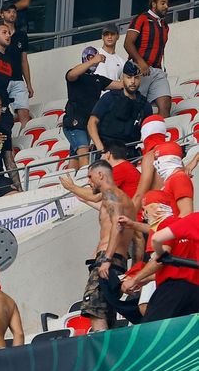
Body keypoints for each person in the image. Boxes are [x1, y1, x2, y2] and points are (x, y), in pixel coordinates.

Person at [83, 160, 136, 331]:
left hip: (107, 259)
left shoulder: (110, 194)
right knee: (107, 311)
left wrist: (106, 259)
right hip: (119, 261)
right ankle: (111, 351)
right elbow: (138, 240)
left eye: (90, 177)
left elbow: (117, 225)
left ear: (100, 175)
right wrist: (135, 268)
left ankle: (103, 352)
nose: (88, 181)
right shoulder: (126, 201)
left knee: (94, 307)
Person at [132, 211, 199, 321]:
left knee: (153, 331)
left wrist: (159, 254)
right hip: (194, 290)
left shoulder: (192, 219)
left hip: (175, 289)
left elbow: (156, 238)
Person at [62, 47, 121, 169]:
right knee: (84, 154)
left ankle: (70, 183)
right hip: (75, 122)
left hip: (88, 124)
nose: (94, 60)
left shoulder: (98, 79)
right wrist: (93, 61)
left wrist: (132, 73)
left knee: (74, 158)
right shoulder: (76, 76)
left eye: (95, 57)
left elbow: (119, 85)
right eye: (90, 57)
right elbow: (71, 74)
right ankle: (86, 180)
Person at [88, 61, 153, 156]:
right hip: (106, 152)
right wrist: (100, 149)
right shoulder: (109, 97)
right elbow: (91, 123)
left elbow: (150, 132)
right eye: (129, 77)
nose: (133, 81)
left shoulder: (145, 105)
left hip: (129, 153)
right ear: (122, 78)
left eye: (136, 77)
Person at [124, 0, 171, 117]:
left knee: (165, 104)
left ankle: (162, 135)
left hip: (157, 71)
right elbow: (128, 44)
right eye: (163, 3)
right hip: (139, 70)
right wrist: (141, 63)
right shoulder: (141, 19)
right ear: (153, 4)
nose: (166, 6)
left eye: (167, 3)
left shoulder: (165, 26)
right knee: (134, 107)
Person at [0, 4, 34, 128]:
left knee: (24, 110)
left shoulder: (22, 35)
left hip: (18, 79)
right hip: (1, 79)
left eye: (14, 11)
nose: (12, 14)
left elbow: (24, 60)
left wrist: (28, 84)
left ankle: (26, 140)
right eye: (8, 11)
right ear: (2, 14)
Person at [154, 142, 193, 218]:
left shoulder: (179, 178)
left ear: (168, 158)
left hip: (177, 229)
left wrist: (169, 230)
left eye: (157, 159)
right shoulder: (171, 180)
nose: (155, 164)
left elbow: (186, 213)